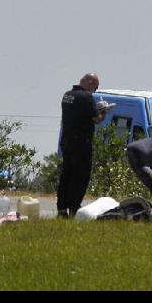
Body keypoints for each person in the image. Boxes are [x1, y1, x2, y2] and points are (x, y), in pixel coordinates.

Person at [56, 73, 107, 217]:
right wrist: (104, 111)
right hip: (81, 144)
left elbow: (77, 113)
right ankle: (74, 207)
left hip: (67, 142)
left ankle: (61, 208)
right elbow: (96, 119)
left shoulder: (67, 95)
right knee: (80, 177)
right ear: (90, 83)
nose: (94, 91)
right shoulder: (86, 97)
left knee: (66, 175)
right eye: (95, 88)